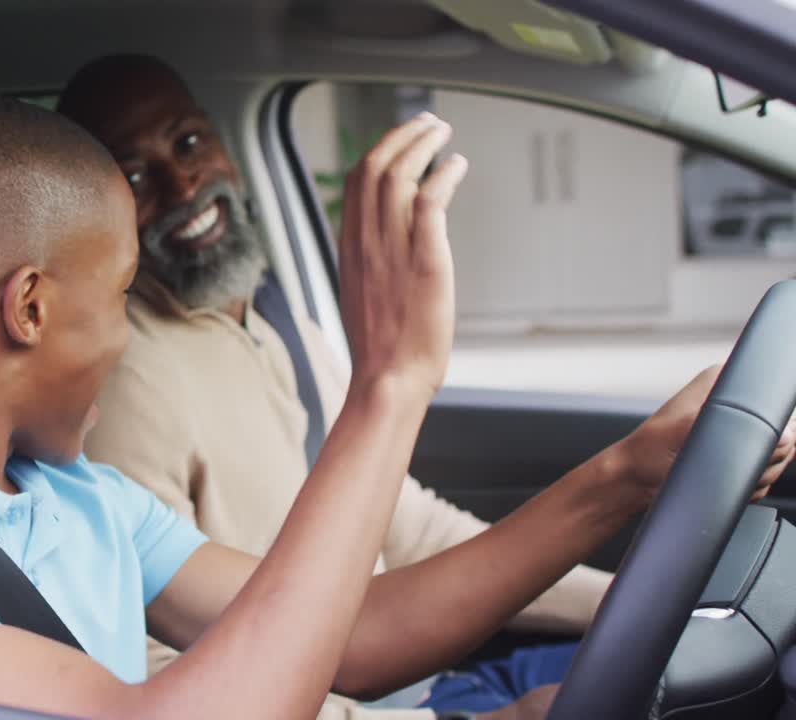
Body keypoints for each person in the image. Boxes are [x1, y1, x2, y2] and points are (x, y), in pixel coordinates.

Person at [0, 95, 786, 720]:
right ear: (30, 307)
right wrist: (384, 392)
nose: (126, 338)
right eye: (121, 298)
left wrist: (627, 475)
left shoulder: (74, 497)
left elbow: (349, 643)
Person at [57, 54, 793, 716]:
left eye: (188, 143)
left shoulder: (268, 312)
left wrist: (623, 606)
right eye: (132, 174)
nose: (182, 183)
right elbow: (185, 671)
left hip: (427, 674)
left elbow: (394, 526)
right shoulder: (121, 387)